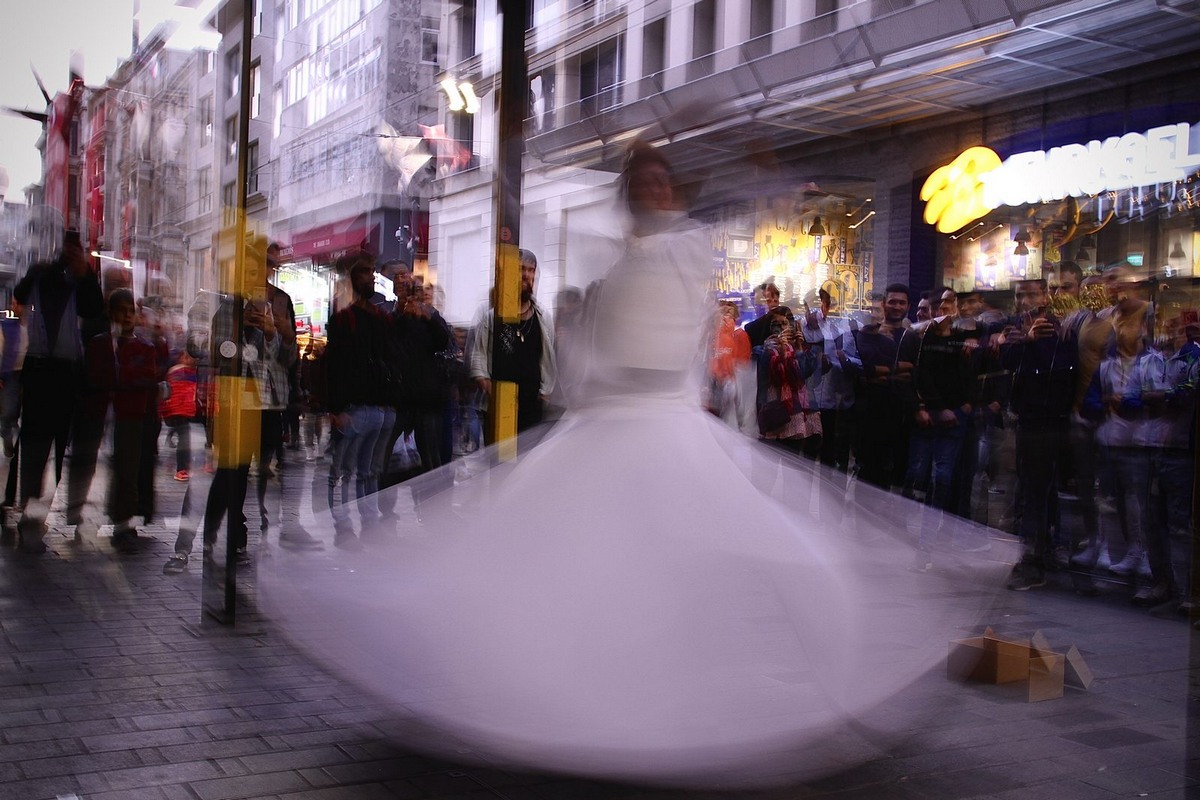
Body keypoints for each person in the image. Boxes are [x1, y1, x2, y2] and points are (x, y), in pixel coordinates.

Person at [259, 141, 1016, 784]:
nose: (653, 192)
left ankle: (820, 669)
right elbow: (595, 353)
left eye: (661, 182)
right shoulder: (613, 259)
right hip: (613, 424)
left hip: (664, 424)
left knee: (758, 543)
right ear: (630, 198)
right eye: (641, 184)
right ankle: (570, 681)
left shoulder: (683, 248)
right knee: (575, 555)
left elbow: (684, 313)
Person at [13, 230, 105, 553]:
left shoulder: (80, 283)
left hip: (64, 377)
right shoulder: (43, 275)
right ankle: (31, 518)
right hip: (41, 372)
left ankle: (34, 516)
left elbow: (96, 311)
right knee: (36, 452)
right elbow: (21, 291)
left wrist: (85, 274)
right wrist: (49, 267)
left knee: (52, 454)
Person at [84, 290, 163, 553]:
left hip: (132, 414)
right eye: (122, 310)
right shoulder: (100, 344)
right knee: (111, 468)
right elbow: (99, 377)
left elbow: (145, 377)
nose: (128, 315)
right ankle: (112, 516)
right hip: (104, 414)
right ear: (112, 312)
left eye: (131, 310)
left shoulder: (144, 347)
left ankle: (124, 521)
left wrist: (123, 377)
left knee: (129, 469)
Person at [468, 249, 557, 436]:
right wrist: (488, 387)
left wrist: (545, 393)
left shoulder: (542, 317)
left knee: (529, 462)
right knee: (501, 461)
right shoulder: (492, 316)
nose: (526, 275)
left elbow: (548, 359)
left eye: (531, 270)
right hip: (499, 405)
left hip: (532, 407)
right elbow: (479, 355)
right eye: (521, 269)